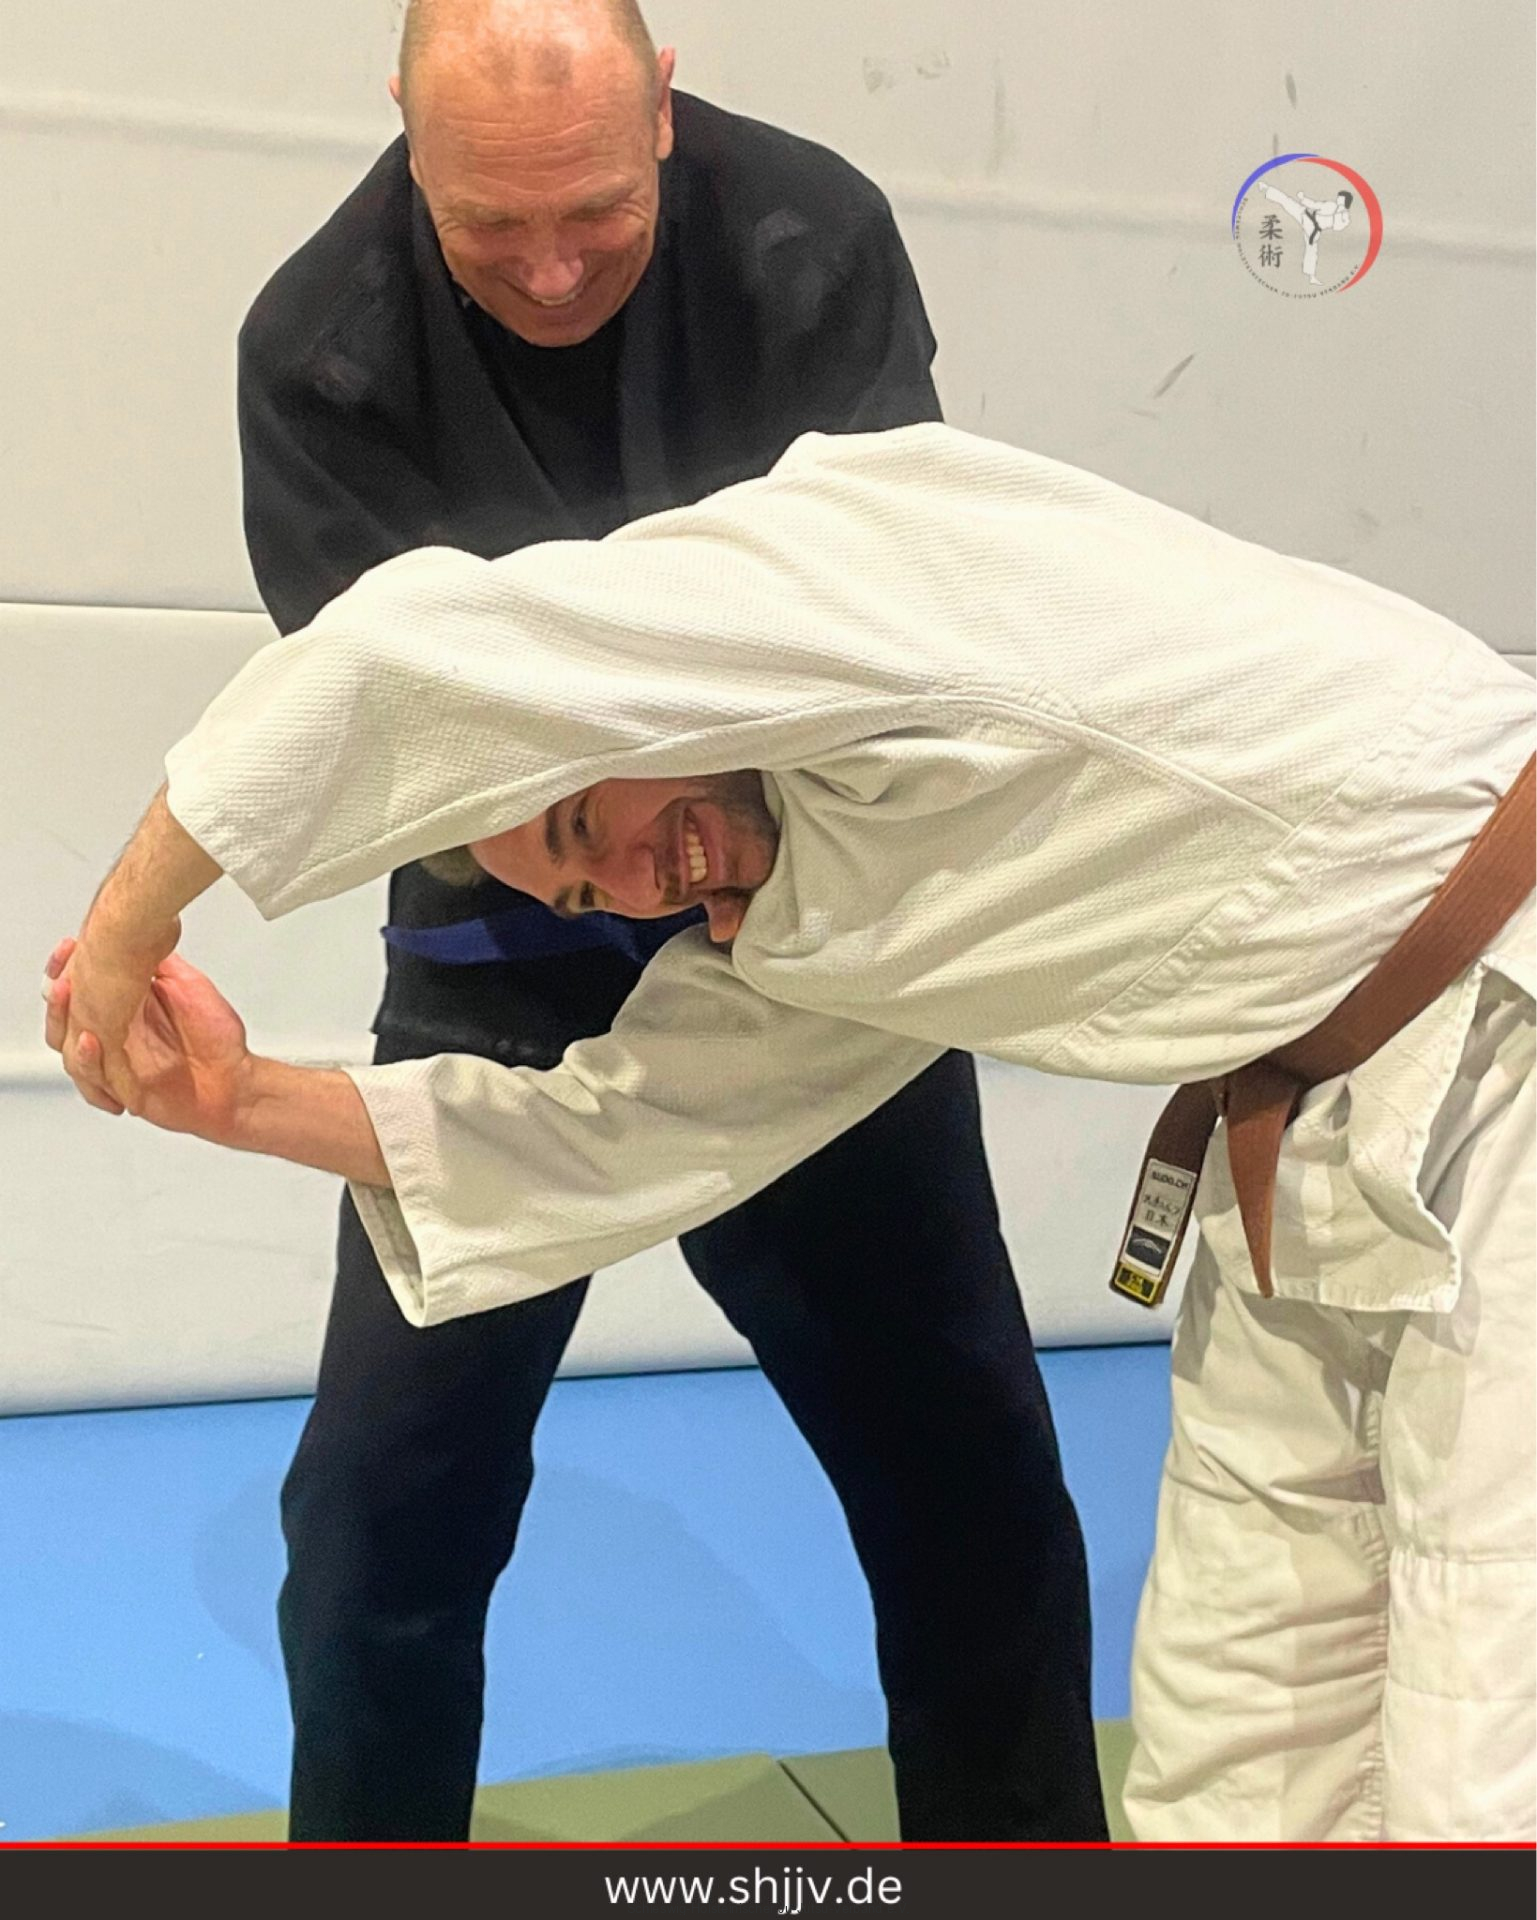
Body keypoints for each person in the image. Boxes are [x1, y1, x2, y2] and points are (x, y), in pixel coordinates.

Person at [47, 422, 1535, 1841]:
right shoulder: (816, 925)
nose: (637, 880)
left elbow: (389, 662)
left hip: (1507, 1024)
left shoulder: (854, 572)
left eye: (586, 822)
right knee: (1235, 1718)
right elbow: (615, 1136)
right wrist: (238, 1102)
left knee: (1485, 1729)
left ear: (614, 707)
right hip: (1304, 1143)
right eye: (589, 894)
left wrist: (127, 928)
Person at [229, 0, 1103, 1846]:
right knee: (379, 1522)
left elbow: (903, 633)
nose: (550, 270)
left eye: (596, 215)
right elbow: (404, 750)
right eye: (491, 224)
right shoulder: (321, 350)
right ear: (401, 128)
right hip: (503, 971)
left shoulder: (806, 242)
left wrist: (678, 805)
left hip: (814, 950)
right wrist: (615, 804)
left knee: (971, 1490)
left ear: (663, 111)